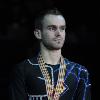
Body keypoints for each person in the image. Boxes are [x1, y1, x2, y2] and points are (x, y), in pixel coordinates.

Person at [9, 8, 91, 100]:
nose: (59, 33)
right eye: (52, 28)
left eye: (62, 28)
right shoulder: (22, 70)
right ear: (38, 33)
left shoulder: (80, 71)